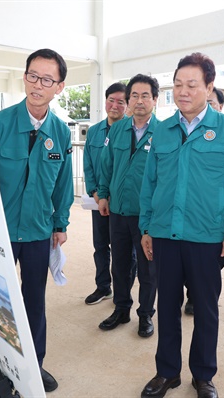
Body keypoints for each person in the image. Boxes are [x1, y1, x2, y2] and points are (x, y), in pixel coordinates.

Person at [139, 52, 224, 398]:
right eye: (177, 85)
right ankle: (167, 373)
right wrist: (147, 226)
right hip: (164, 233)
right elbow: (150, 183)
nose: (183, 91)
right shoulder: (162, 131)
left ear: (209, 87)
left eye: (191, 85)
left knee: (205, 309)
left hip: (207, 237)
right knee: (168, 307)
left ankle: (203, 375)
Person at [0, 48, 73, 394]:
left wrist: (60, 224)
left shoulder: (60, 132)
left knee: (33, 304)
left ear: (59, 86)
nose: (37, 85)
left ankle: (33, 367)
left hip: (38, 233)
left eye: (47, 79)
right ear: (24, 77)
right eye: (32, 75)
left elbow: (62, 184)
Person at [97, 74, 160, 338]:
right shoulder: (118, 130)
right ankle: (121, 309)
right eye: (134, 95)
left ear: (155, 100)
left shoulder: (164, 133)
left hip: (147, 216)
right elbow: (107, 164)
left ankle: (145, 315)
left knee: (148, 268)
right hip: (118, 211)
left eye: (146, 95)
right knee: (120, 264)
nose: (139, 101)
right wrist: (102, 194)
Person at [83, 82, 136, 305]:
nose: (115, 105)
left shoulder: (132, 130)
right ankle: (103, 286)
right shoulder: (94, 131)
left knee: (125, 252)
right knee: (100, 245)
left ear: (127, 105)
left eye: (121, 102)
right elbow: (89, 165)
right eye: (111, 100)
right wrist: (96, 192)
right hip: (99, 202)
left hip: (123, 204)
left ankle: (125, 292)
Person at [183, 86, 224, 317]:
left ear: (220, 106)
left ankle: (197, 296)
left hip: (212, 222)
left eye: (212, 103)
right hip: (181, 220)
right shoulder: (175, 130)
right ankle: (192, 294)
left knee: (210, 270)